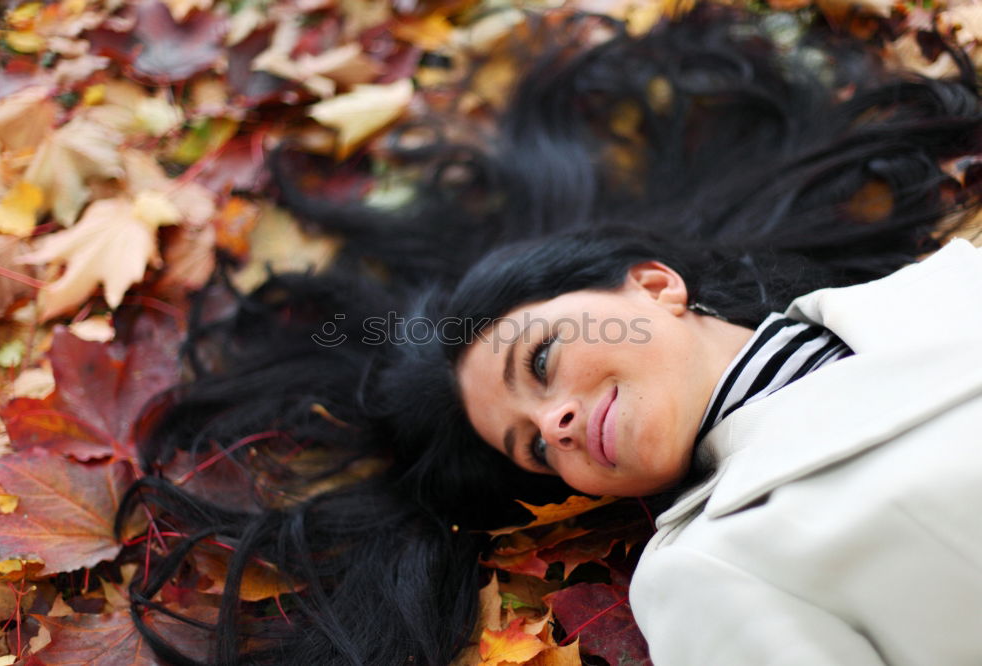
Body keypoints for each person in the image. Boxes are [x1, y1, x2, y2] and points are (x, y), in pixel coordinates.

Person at [118, 6, 982, 665]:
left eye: (540, 364)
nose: (559, 425)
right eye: (533, 448)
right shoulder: (709, 570)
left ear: (652, 285)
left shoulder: (944, 285)